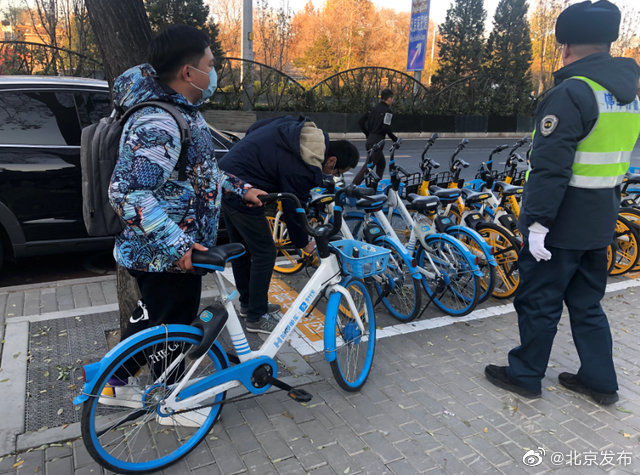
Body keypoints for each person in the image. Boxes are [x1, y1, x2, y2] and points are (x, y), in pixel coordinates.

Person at [105, 25, 264, 420]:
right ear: (188, 73)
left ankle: (113, 384)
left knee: (151, 321)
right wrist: (179, 246)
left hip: (164, 252)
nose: (214, 74)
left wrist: (240, 188)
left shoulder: (181, 111)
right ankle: (169, 405)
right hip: (167, 254)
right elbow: (126, 193)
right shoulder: (158, 122)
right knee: (170, 330)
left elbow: (200, 173)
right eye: (210, 65)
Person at [485, 0, 640, 406]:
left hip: (560, 224)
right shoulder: (628, 95)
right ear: (608, 42)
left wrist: (535, 224)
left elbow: (551, 168)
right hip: (601, 219)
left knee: (539, 302)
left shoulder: (572, 91)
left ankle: (525, 375)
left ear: (566, 47)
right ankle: (600, 381)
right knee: (588, 304)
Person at [219, 116, 360, 334]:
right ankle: (256, 317)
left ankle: (249, 305)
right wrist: (303, 242)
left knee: (243, 250)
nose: (335, 175)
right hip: (243, 190)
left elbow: (257, 127)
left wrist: (258, 158)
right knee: (265, 252)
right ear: (331, 161)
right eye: (338, 171)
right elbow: (293, 206)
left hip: (227, 177)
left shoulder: (301, 133)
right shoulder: (304, 166)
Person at [352, 88, 398, 185]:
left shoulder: (372, 109)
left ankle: (375, 186)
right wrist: (395, 139)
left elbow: (360, 122)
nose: (392, 100)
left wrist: (368, 134)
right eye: (392, 98)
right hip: (378, 141)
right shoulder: (388, 112)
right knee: (368, 167)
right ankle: (353, 186)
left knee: (381, 164)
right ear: (389, 99)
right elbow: (386, 127)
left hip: (370, 140)